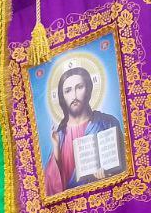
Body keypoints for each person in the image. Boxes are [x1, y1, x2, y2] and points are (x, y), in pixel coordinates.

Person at [44, 65, 126, 194]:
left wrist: (108, 176)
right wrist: (56, 148)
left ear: (88, 89)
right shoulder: (60, 134)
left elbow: (124, 169)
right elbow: (53, 187)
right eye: (68, 90)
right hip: (71, 210)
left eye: (79, 87)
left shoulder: (107, 123)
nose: (74, 95)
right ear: (62, 97)